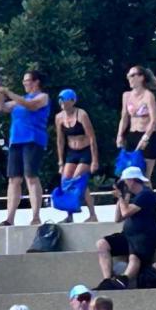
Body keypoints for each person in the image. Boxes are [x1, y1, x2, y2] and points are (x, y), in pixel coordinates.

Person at [0, 70, 50, 226]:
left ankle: (36, 216)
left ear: (36, 82)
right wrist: (0, 93)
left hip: (33, 139)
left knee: (30, 176)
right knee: (14, 179)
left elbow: (31, 105)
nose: (24, 83)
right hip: (16, 141)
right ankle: (9, 218)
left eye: (27, 80)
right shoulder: (20, 100)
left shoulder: (42, 97)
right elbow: (3, 108)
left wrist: (8, 92)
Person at [94, 166, 156, 291]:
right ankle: (107, 280)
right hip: (129, 236)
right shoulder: (132, 196)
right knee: (102, 244)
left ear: (131, 180)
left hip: (145, 236)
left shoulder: (146, 195)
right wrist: (122, 197)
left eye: (124, 181)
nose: (123, 183)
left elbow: (125, 213)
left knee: (134, 256)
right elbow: (118, 218)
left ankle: (123, 280)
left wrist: (121, 197)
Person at [55, 89, 99, 223]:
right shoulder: (59, 117)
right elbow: (60, 140)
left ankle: (92, 214)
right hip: (71, 152)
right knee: (66, 181)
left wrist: (94, 160)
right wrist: (61, 161)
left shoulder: (81, 115)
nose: (62, 103)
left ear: (72, 101)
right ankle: (70, 215)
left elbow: (92, 138)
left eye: (64, 100)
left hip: (85, 150)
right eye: (60, 100)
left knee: (77, 180)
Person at [116, 66, 156, 181]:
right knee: (129, 176)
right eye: (128, 76)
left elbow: (154, 120)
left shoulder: (148, 95)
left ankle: (148, 193)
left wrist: (145, 138)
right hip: (132, 135)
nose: (130, 78)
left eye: (133, 75)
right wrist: (120, 135)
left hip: (147, 135)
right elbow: (124, 117)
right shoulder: (126, 95)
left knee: (144, 177)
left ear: (141, 77)